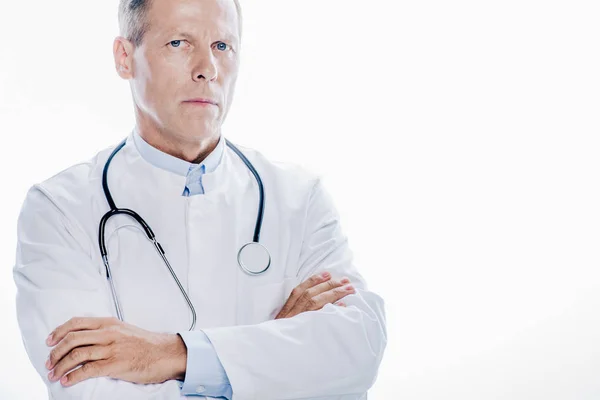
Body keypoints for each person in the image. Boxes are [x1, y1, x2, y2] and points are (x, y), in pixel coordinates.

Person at [13, 0, 387, 398]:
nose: (206, 68)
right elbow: (90, 392)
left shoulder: (300, 198)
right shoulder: (59, 209)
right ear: (125, 58)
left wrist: (168, 354)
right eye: (179, 42)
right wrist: (276, 355)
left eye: (222, 46)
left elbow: (357, 349)